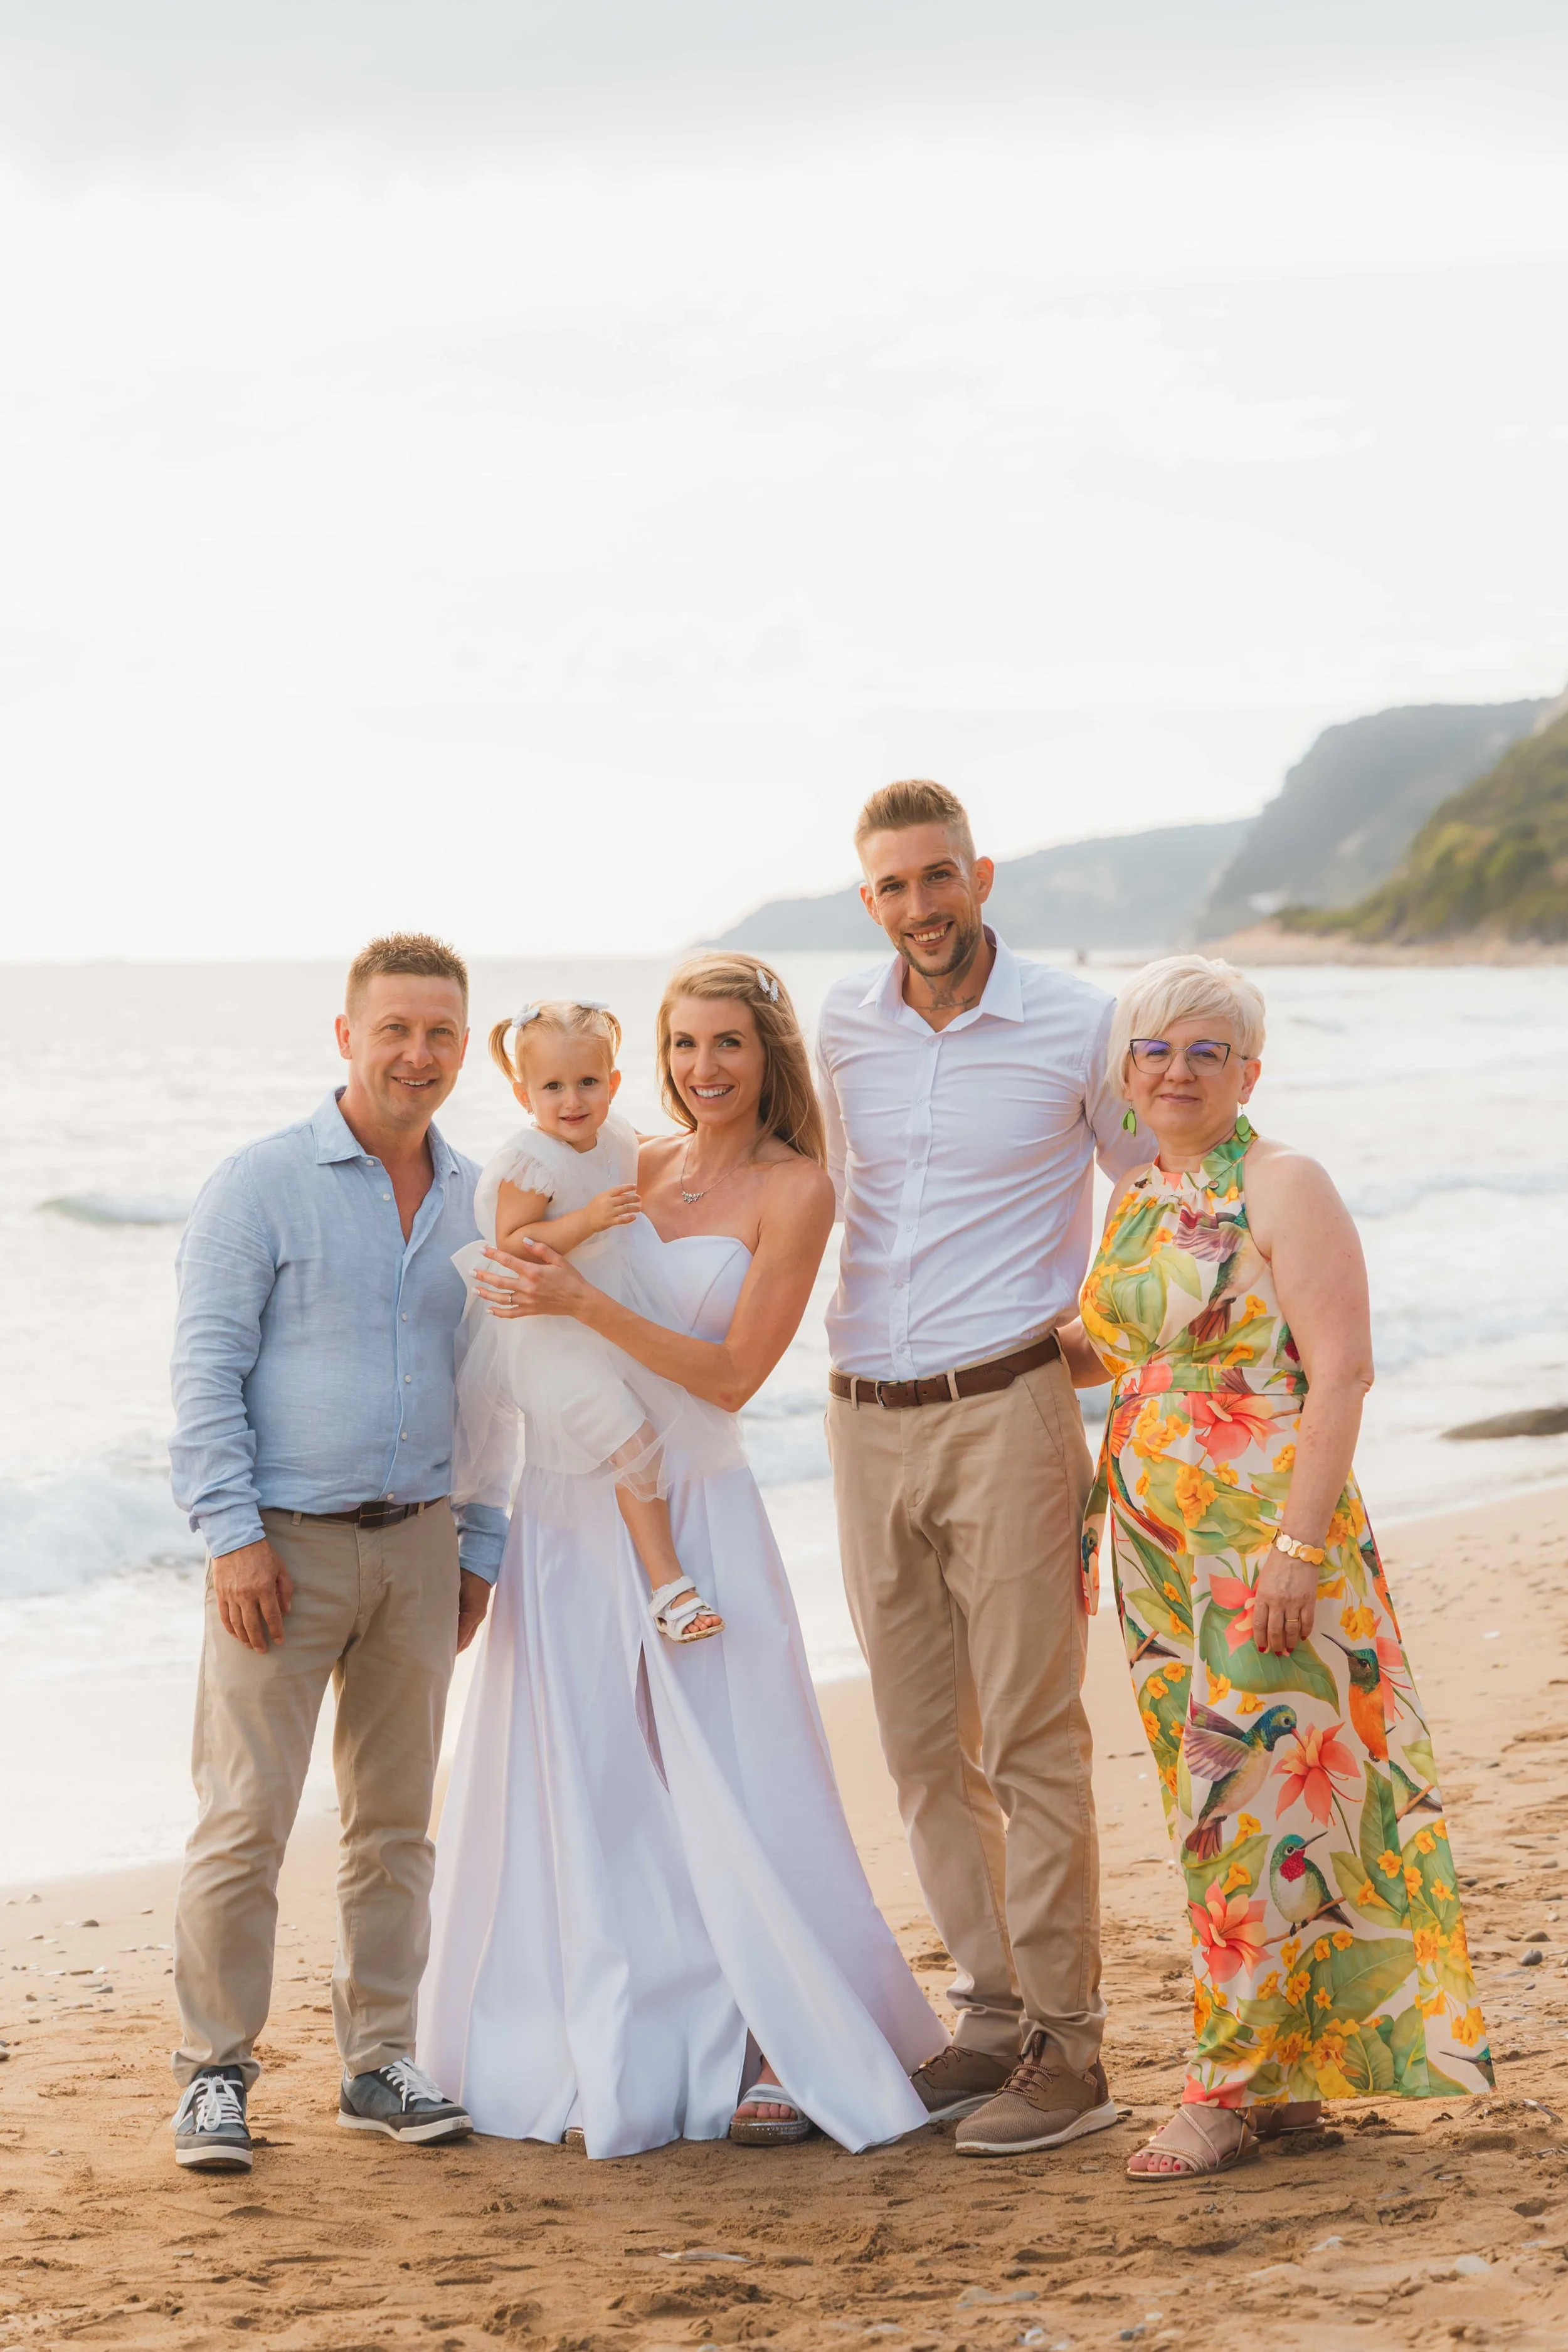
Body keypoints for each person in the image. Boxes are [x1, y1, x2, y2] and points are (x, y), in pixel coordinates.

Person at [419, 952, 945, 2158]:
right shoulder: (625, 1161)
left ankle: (777, 2039)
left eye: (728, 1046)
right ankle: (598, 2032)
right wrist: (512, 1295)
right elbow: (516, 1287)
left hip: (696, 1506)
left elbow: (734, 1376)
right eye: (682, 1048)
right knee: (595, 1776)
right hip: (571, 1514)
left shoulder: (797, 1187)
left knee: (746, 1769)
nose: (701, 1071)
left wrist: (579, 1305)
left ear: (771, 1058)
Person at [1058, 953, 1493, 2182]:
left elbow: (1339, 1371)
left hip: (1263, 1539)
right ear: (1123, 1071)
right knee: (1240, 1803)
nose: (1177, 1070)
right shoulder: (1137, 1192)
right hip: (1151, 1546)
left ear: (1249, 1069)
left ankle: (1225, 2085)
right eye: (1154, 1050)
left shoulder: (1282, 1183)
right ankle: (1292, 2077)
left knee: (1238, 1803)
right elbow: (1114, 1350)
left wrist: (1297, 1547)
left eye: (1206, 1051)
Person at [815, 778, 1150, 2157]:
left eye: (936, 878)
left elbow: (1156, 1191)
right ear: (867, 900)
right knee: (914, 1744)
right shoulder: (838, 1024)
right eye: (892, 888)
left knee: (1026, 1738)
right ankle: (995, 2014)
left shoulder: (1080, 1024)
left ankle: (1070, 2052)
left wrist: (1094, 1346)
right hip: (855, 1415)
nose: (918, 909)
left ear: (982, 876)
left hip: (1006, 1412)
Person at [166, 935, 505, 2173]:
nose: (416, 1054)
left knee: (396, 1824)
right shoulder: (258, 1184)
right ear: (346, 1035)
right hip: (282, 1556)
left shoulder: (480, 1195)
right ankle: (214, 2074)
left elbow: (493, 1387)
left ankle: (378, 2063)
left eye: (440, 1034)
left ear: (463, 1048)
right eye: (395, 1029)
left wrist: (481, 1544)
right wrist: (233, 1538)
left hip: (419, 1550)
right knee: (245, 1819)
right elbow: (203, 1374)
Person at [455, 997, 729, 1644]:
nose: (571, 1100)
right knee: (629, 1439)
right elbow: (514, 1243)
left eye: (586, 1083)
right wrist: (587, 1220)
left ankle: (634, 1580)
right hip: (546, 1336)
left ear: (612, 1084)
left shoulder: (614, 1135)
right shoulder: (531, 1159)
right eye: (551, 1086)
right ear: (524, 1093)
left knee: (658, 1424)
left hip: (600, 1315)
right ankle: (671, 1590)